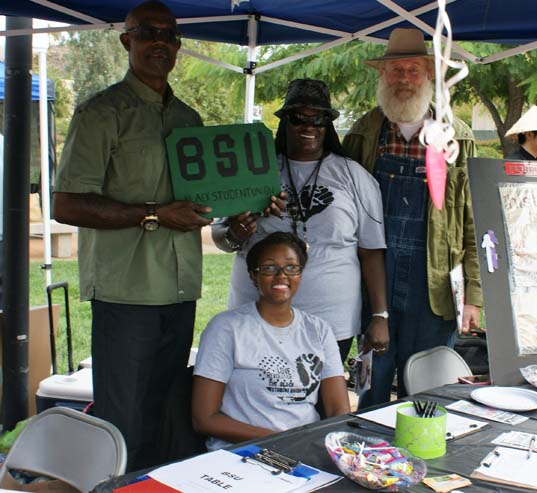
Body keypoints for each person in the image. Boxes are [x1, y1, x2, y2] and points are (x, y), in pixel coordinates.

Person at [51, 1, 211, 471]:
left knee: (165, 412)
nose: (161, 42)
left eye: (170, 34)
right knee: (123, 420)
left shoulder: (189, 120)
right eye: (148, 33)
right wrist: (155, 214)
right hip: (127, 292)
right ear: (127, 40)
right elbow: (66, 204)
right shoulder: (101, 113)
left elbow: (201, 203)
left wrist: (233, 218)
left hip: (180, 290)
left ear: (179, 44)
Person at [342, 28, 482, 408]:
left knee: (428, 389)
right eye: (395, 70)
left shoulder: (459, 138)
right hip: (374, 276)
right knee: (374, 376)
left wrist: (474, 297)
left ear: (429, 76)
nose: (404, 78)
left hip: (434, 281)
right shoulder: (362, 135)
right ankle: (366, 451)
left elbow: (473, 219)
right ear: (382, 76)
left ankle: (424, 454)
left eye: (413, 70)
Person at [212, 79, 388, 363]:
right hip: (256, 311)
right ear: (284, 122)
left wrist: (380, 315)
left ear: (327, 125)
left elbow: (371, 251)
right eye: (298, 118)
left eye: (318, 118)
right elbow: (222, 238)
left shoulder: (354, 176)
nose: (309, 126)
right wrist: (237, 230)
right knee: (251, 396)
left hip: (331, 318)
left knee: (321, 401)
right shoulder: (253, 171)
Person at [192, 232, 350, 451]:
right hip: (242, 451)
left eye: (291, 267)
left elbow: (338, 411)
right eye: (269, 267)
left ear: (300, 274)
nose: (281, 275)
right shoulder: (226, 328)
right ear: (253, 275)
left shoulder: (319, 330)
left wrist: (311, 446)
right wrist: (281, 440)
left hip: (304, 450)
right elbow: (204, 419)